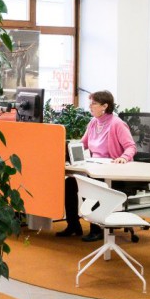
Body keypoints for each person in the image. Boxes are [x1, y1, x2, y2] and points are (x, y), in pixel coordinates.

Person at [59, 91, 136, 242]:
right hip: (95, 167)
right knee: (70, 184)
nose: (90, 106)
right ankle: (73, 225)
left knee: (91, 186)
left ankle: (97, 229)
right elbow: (83, 144)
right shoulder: (93, 122)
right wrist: (66, 153)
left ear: (104, 106)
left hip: (112, 172)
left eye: (93, 103)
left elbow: (131, 146)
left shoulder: (117, 124)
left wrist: (123, 157)